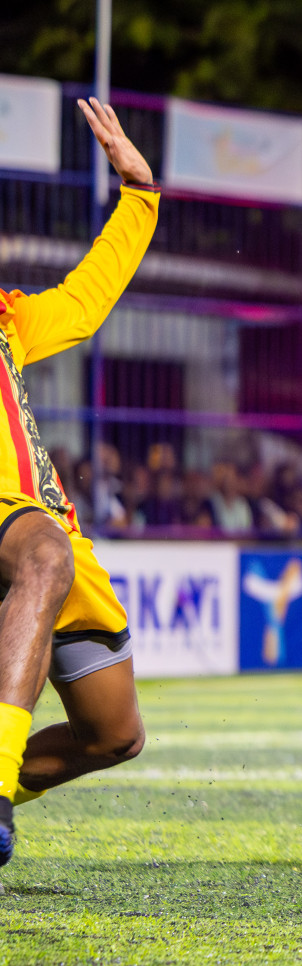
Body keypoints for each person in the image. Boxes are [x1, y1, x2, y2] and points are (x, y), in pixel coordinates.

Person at [0, 98, 160, 864]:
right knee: (44, 556)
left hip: (44, 522)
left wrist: (140, 196)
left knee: (113, 731)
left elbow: (87, 302)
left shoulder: (7, 319)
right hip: (23, 531)